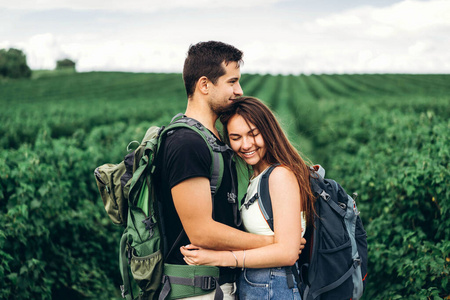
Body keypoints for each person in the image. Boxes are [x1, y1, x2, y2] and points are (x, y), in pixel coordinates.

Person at [155, 41, 305, 300]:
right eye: (232, 81)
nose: (239, 90)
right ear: (204, 85)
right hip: (195, 289)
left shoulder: (212, 141)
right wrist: (277, 243)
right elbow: (201, 232)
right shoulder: (187, 143)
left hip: (217, 285)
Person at [180, 96, 316, 300]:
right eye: (236, 138)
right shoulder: (258, 177)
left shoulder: (279, 176)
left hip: (274, 288)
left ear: (268, 132)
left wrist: (218, 257)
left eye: (253, 134)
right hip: (262, 287)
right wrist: (272, 242)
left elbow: (287, 253)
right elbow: (283, 244)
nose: (246, 145)